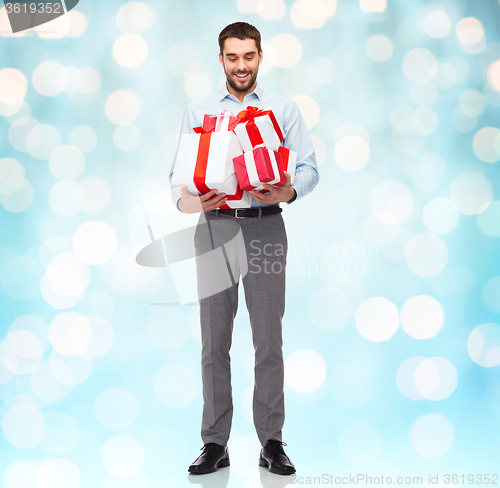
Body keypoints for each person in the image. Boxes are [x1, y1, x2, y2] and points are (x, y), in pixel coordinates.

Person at [168, 21, 319, 476]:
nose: (241, 65)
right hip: (214, 227)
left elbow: (309, 168)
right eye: (232, 57)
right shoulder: (199, 112)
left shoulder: (283, 108)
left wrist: (287, 194)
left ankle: (271, 442)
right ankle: (215, 443)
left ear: (259, 57)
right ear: (221, 60)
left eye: (248, 56)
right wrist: (196, 200)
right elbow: (176, 185)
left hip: (266, 227)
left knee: (267, 340)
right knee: (215, 341)